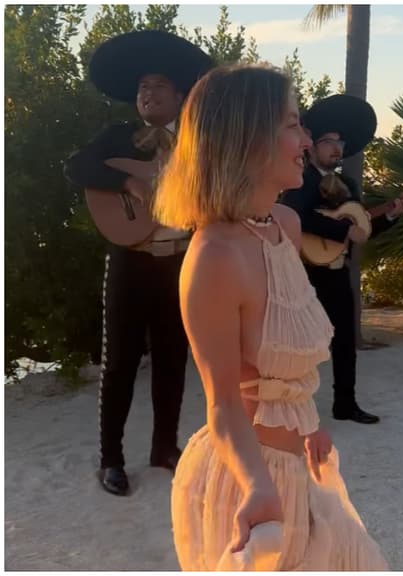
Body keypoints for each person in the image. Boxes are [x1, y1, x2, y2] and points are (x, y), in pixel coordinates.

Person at [155, 63, 388, 571]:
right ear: (247, 137)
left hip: (303, 466)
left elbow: (283, 373)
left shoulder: (283, 224)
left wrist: (310, 428)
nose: (305, 139)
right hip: (247, 484)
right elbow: (224, 405)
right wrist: (259, 485)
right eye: (292, 123)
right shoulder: (214, 257)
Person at [63, 30, 213, 496]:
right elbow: (76, 168)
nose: (147, 94)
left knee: (172, 360)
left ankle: (165, 448)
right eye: (142, 88)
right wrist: (127, 184)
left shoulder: (197, 144)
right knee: (120, 364)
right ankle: (111, 459)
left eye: (157, 86)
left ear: (180, 95)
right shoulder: (119, 136)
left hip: (179, 264)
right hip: (131, 260)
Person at [279, 95, 403, 424]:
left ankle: (345, 404)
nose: (336, 148)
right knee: (297, 343)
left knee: (344, 339)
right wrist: (339, 229)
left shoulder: (347, 185)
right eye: (329, 141)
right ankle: (292, 407)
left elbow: (360, 229)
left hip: (336, 273)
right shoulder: (299, 179)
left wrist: (390, 214)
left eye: (340, 142)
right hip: (302, 273)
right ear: (312, 145)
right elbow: (293, 217)